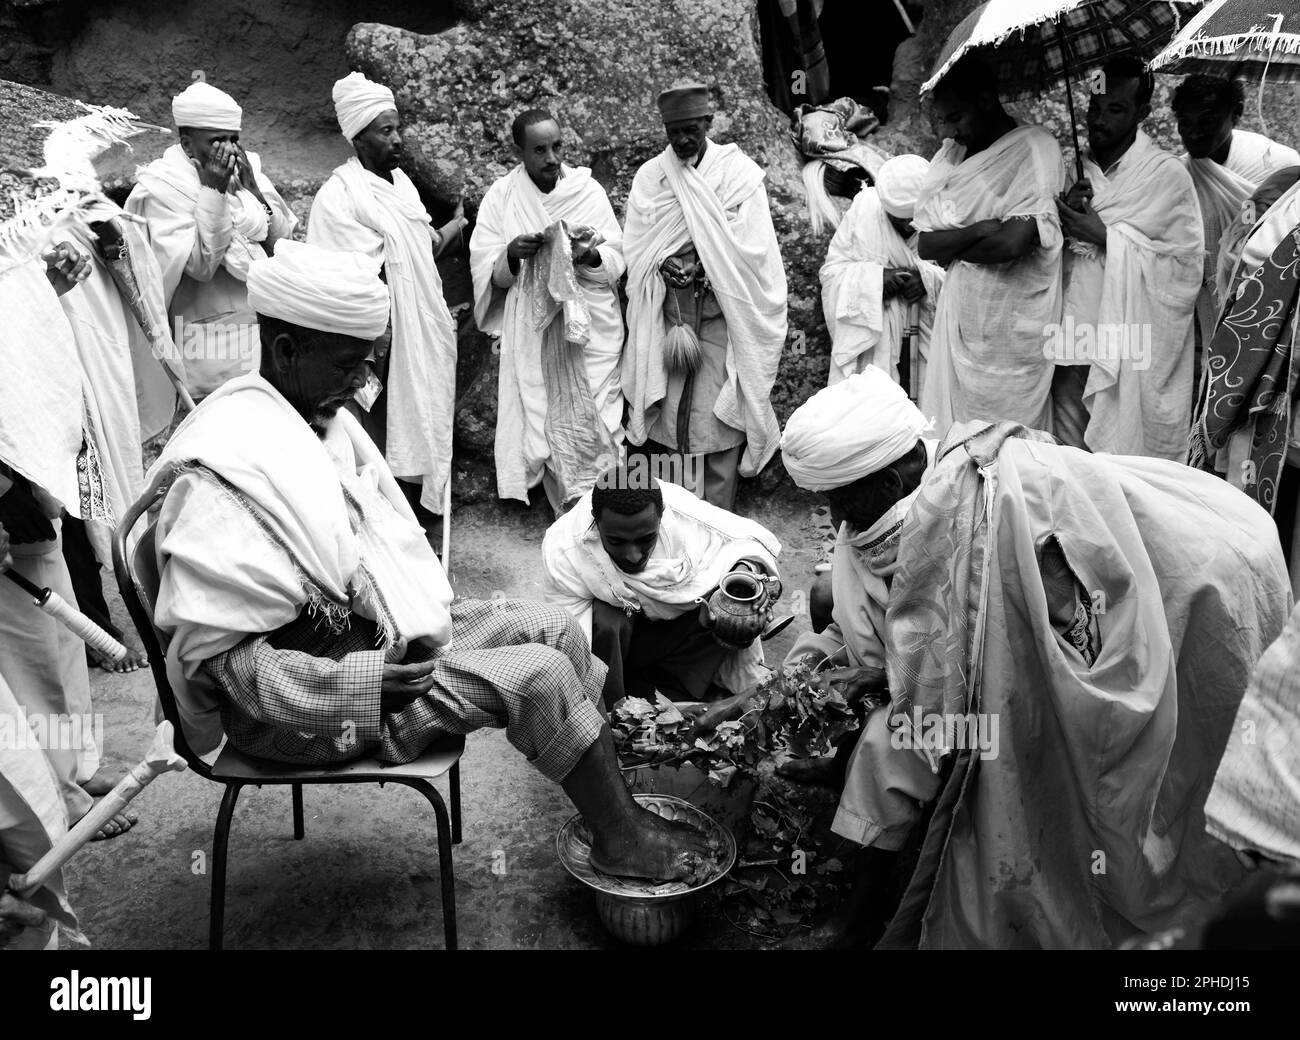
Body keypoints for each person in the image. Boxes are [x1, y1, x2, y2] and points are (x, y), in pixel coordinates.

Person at [146, 241, 716, 884]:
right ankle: (619, 836)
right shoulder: (222, 480)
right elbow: (231, 673)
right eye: (350, 365)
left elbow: (367, 556)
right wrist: (367, 681)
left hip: (368, 649)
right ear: (285, 352)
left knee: (555, 631)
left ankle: (618, 811)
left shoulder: (306, 419)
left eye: (368, 364)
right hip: (304, 713)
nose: (364, 385)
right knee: (539, 676)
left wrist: (386, 647)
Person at [700, 368, 1291, 948]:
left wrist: (877, 682)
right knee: (845, 629)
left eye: (844, 500)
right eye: (830, 502)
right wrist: (766, 693)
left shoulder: (979, 516)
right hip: (1172, 560)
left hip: (1198, 576)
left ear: (901, 469)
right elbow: (877, 634)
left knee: (901, 744)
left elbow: (978, 669)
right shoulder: (897, 505)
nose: (838, 521)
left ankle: (860, 917)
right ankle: (854, 797)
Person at [0, 245, 138, 840]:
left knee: (59, 639)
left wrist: (45, 290)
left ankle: (75, 768)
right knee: (23, 661)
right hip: (8, 485)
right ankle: (57, 795)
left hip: (34, 476)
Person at [622, 82, 788, 512]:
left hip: (719, 318)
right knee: (668, 416)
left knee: (718, 418)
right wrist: (662, 264)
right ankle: (669, 519)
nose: (681, 140)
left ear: (709, 123)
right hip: (669, 316)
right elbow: (637, 251)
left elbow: (755, 255)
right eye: (673, 131)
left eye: (691, 129)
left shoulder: (738, 175)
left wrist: (708, 267)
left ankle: (719, 523)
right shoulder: (651, 176)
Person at [308, 72, 466, 518]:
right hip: (374, 342)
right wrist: (379, 329)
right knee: (369, 433)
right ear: (359, 139)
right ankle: (371, 524)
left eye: (399, 128)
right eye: (386, 130)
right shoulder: (338, 198)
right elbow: (340, 275)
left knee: (416, 422)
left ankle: (413, 525)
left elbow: (419, 247)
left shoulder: (404, 186)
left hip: (417, 334)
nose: (398, 139)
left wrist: (456, 227)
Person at [470, 108, 626, 512]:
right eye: (539, 150)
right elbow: (489, 273)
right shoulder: (502, 198)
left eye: (557, 147)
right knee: (547, 418)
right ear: (519, 150)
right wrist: (512, 254)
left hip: (591, 329)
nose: (551, 158)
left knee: (600, 415)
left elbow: (617, 256)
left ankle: (612, 515)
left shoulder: (587, 193)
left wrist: (588, 255)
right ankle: (570, 522)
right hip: (535, 334)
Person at [1052, 57, 1202, 459]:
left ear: (1142, 113)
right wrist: (1062, 212)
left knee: (1120, 460)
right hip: (1071, 335)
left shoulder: (1165, 175)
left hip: (1128, 343)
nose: (1099, 120)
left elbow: (1185, 270)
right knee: (1069, 459)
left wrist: (1105, 235)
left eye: (1115, 109)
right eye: (1093, 108)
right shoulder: (1071, 172)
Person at [542, 465, 782, 709]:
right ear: (596, 520)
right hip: (621, 645)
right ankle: (618, 710)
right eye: (617, 541)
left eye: (646, 539)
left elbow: (748, 541)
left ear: (661, 515)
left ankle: (682, 685)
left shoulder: (684, 514)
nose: (634, 556)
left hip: (682, 632)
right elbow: (573, 652)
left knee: (729, 600)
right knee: (606, 621)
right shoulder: (564, 551)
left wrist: (744, 574)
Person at [913, 55, 1065, 438]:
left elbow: (1012, 245)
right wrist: (977, 230)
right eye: (943, 119)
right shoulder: (951, 157)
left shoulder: (1035, 148)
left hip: (1014, 328)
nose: (949, 131)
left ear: (985, 100)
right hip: (962, 319)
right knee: (958, 441)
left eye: (956, 117)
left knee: (1013, 442)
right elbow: (927, 245)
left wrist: (955, 244)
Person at [126, 80, 296, 400]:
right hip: (207, 344)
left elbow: (283, 245)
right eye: (218, 141)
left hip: (262, 335)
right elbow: (201, 266)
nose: (229, 151)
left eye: (234, 140)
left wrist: (254, 190)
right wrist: (214, 191)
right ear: (188, 144)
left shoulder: (247, 171)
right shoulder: (163, 186)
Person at [1172, 75, 1300, 374]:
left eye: (1208, 120)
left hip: (1267, 303)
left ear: (1237, 113)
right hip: (1201, 309)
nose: (1194, 133)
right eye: (1184, 121)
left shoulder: (1276, 164)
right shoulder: (1178, 174)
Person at [819, 154, 944, 396]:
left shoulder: (944, 212)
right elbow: (831, 273)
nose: (908, 226)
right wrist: (876, 280)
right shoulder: (865, 207)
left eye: (913, 218)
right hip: (875, 350)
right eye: (899, 218)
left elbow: (968, 281)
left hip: (929, 346)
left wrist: (928, 280)